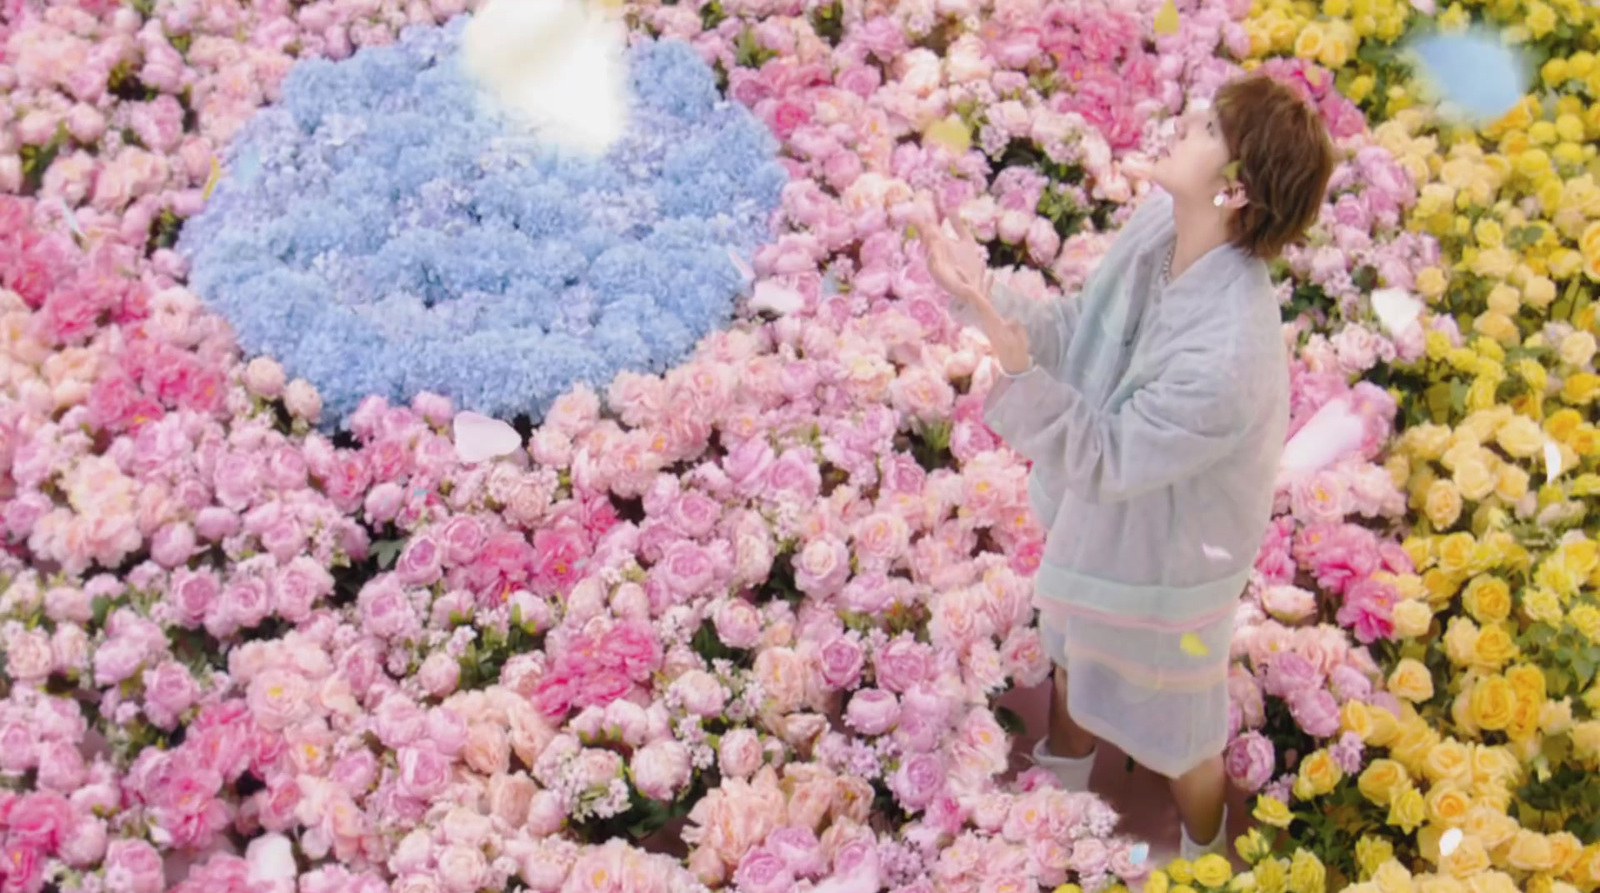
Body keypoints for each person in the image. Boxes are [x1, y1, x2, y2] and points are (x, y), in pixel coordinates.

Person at [922, 74, 1336, 860]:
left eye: (1211, 127)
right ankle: (1064, 779)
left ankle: (1208, 845)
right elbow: (1083, 329)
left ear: (1236, 189)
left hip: (1173, 557)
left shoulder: (1228, 354)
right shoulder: (1162, 226)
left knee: (1177, 727)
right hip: (1114, 517)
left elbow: (1110, 456)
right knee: (1076, 650)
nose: (1187, 124)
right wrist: (978, 297)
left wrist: (1017, 375)